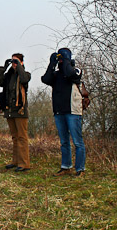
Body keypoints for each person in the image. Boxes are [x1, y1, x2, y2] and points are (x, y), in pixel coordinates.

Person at [41, 47, 86, 177]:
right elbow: (46, 79)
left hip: (72, 110)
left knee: (77, 141)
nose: (60, 61)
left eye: (62, 58)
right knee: (64, 142)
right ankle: (66, 166)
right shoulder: (56, 75)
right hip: (59, 111)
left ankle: (80, 169)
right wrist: (52, 64)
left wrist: (66, 60)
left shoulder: (75, 71)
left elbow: (70, 74)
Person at [0, 53, 31, 172]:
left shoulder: (25, 75)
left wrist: (19, 66)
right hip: (9, 109)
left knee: (22, 137)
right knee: (15, 137)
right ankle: (15, 161)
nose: (14, 63)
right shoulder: (8, 76)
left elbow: (24, 79)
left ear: (21, 63)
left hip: (20, 110)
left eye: (16, 61)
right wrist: (3, 68)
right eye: (13, 61)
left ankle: (24, 163)